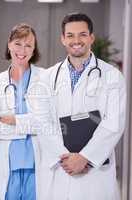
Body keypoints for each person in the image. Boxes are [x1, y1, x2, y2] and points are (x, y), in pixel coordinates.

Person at [45, 13, 126, 200]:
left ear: (91, 37)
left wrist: (85, 158)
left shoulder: (112, 76)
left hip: (96, 173)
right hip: (62, 169)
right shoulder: (48, 77)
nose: (76, 40)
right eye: (70, 35)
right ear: (63, 39)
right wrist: (66, 158)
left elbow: (113, 124)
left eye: (82, 34)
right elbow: (43, 123)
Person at [0, 23, 65, 200]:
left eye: (28, 45)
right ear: (9, 44)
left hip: (38, 162)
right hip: (8, 163)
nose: (22, 50)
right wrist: (31, 124)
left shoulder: (45, 78)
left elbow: (48, 122)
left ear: (34, 49)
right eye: (18, 44)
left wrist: (13, 120)